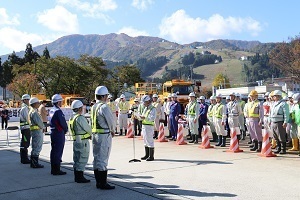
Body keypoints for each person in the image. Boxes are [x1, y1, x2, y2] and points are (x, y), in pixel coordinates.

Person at [92, 86, 116, 190]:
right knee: (103, 158)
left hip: (95, 135)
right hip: (103, 135)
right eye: (106, 96)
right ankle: (103, 183)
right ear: (103, 96)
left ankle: (98, 181)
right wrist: (113, 130)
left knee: (97, 158)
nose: (107, 97)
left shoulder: (94, 106)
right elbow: (110, 121)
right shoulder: (104, 107)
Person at [69, 100, 92, 183]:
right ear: (79, 108)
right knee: (82, 158)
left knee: (77, 158)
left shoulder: (72, 118)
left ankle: (77, 176)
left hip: (76, 141)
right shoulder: (80, 118)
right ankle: (80, 177)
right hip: (83, 141)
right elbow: (88, 129)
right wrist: (92, 135)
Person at [49, 94, 68, 175]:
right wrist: (66, 129)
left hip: (53, 131)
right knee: (58, 151)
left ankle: (53, 168)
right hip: (58, 132)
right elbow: (62, 123)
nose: (62, 103)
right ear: (58, 102)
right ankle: (57, 169)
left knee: (53, 150)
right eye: (61, 101)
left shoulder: (51, 110)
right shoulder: (58, 111)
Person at [269, 90, 289, 154]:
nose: (273, 97)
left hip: (280, 122)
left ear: (278, 96)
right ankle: (278, 147)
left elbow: (286, 113)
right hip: (273, 121)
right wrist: (270, 120)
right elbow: (270, 113)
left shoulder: (283, 104)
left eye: (274, 96)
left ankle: (283, 149)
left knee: (281, 136)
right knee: (275, 136)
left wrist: (285, 122)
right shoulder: (273, 103)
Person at [28, 97, 44, 168]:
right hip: (37, 131)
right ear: (34, 104)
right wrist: (43, 127)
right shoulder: (34, 112)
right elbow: (39, 123)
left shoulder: (31, 111)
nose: (38, 104)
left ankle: (33, 162)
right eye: (38, 103)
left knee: (35, 146)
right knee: (37, 146)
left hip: (34, 131)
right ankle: (34, 163)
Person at [140, 95, 156, 161]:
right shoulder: (146, 108)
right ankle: (147, 155)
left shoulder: (153, 109)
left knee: (150, 141)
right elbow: (143, 116)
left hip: (149, 126)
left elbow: (152, 118)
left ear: (148, 101)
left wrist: (144, 117)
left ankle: (151, 156)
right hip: (144, 125)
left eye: (144, 102)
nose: (143, 103)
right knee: (145, 141)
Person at [19, 94, 31, 164]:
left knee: (25, 142)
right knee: (25, 143)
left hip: (26, 128)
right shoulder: (25, 108)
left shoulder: (26, 107)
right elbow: (28, 118)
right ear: (25, 100)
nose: (29, 101)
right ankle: (24, 159)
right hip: (25, 128)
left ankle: (24, 158)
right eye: (28, 100)